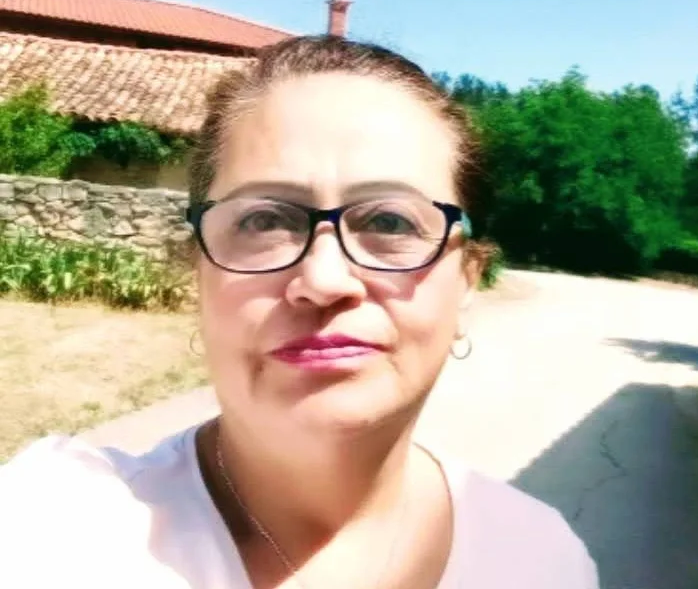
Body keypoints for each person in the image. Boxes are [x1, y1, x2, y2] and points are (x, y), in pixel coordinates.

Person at [0, 35, 598, 588]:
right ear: (197, 271)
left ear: (467, 279)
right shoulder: (50, 530)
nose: (324, 280)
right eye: (264, 220)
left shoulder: (543, 561)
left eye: (391, 222)